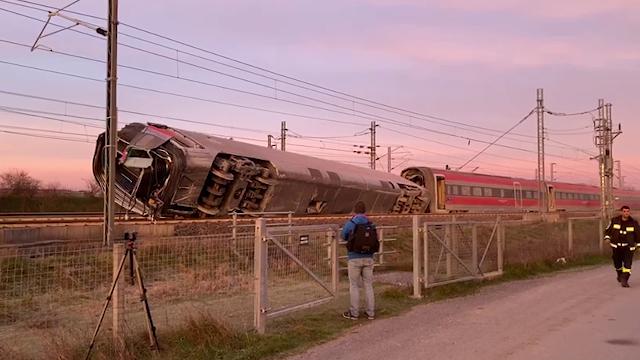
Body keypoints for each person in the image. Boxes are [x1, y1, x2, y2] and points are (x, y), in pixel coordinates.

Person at [341, 201, 377, 320]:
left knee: (354, 285)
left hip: (354, 258)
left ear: (355, 210)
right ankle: (370, 313)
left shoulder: (351, 223)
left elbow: (343, 235)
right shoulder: (370, 224)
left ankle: (354, 313)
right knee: (368, 285)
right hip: (369, 258)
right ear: (365, 211)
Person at [604, 205, 640, 287]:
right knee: (617, 264)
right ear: (621, 212)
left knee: (627, 265)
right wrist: (607, 238)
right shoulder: (614, 220)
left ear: (629, 212)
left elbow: (638, 235)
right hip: (616, 247)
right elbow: (607, 231)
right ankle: (619, 274)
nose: (626, 213)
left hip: (628, 247)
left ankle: (625, 280)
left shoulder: (634, 222)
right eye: (624, 211)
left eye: (627, 211)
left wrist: (638, 245)